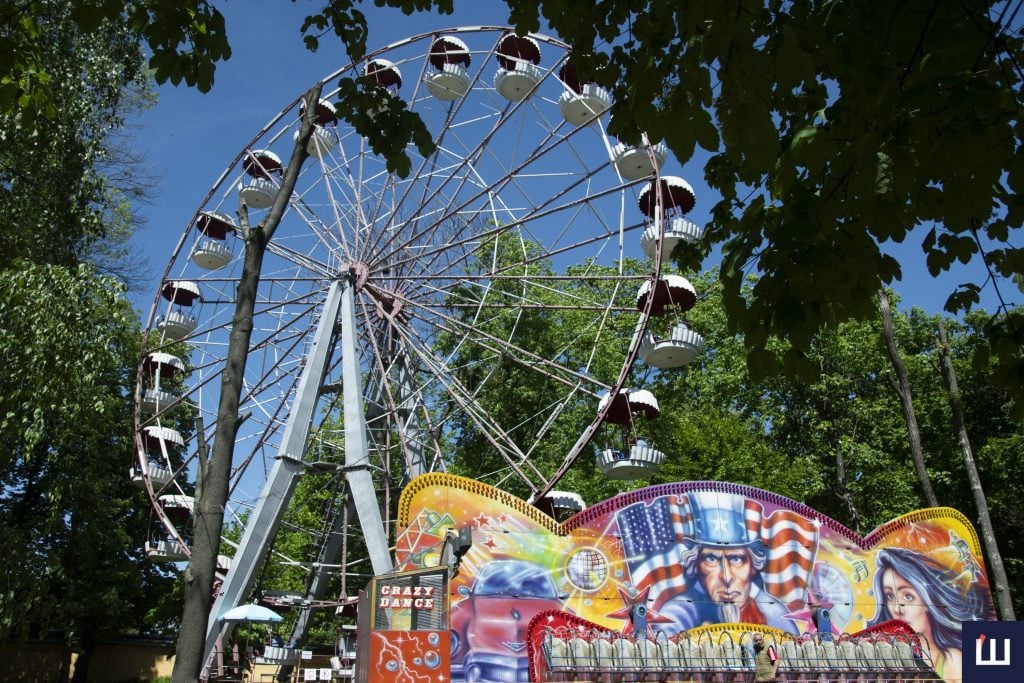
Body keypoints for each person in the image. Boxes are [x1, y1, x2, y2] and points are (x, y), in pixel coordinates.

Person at [656, 492, 799, 633]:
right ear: (696, 566)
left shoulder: (772, 611)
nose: (727, 577)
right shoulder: (677, 612)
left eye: (736, 559)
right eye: (711, 559)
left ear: (752, 566)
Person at [867, 547, 994, 683]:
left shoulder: (952, 660)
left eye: (908, 596)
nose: (897, 608)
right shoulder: (885, 659)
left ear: (928, 601)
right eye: (890, 596)